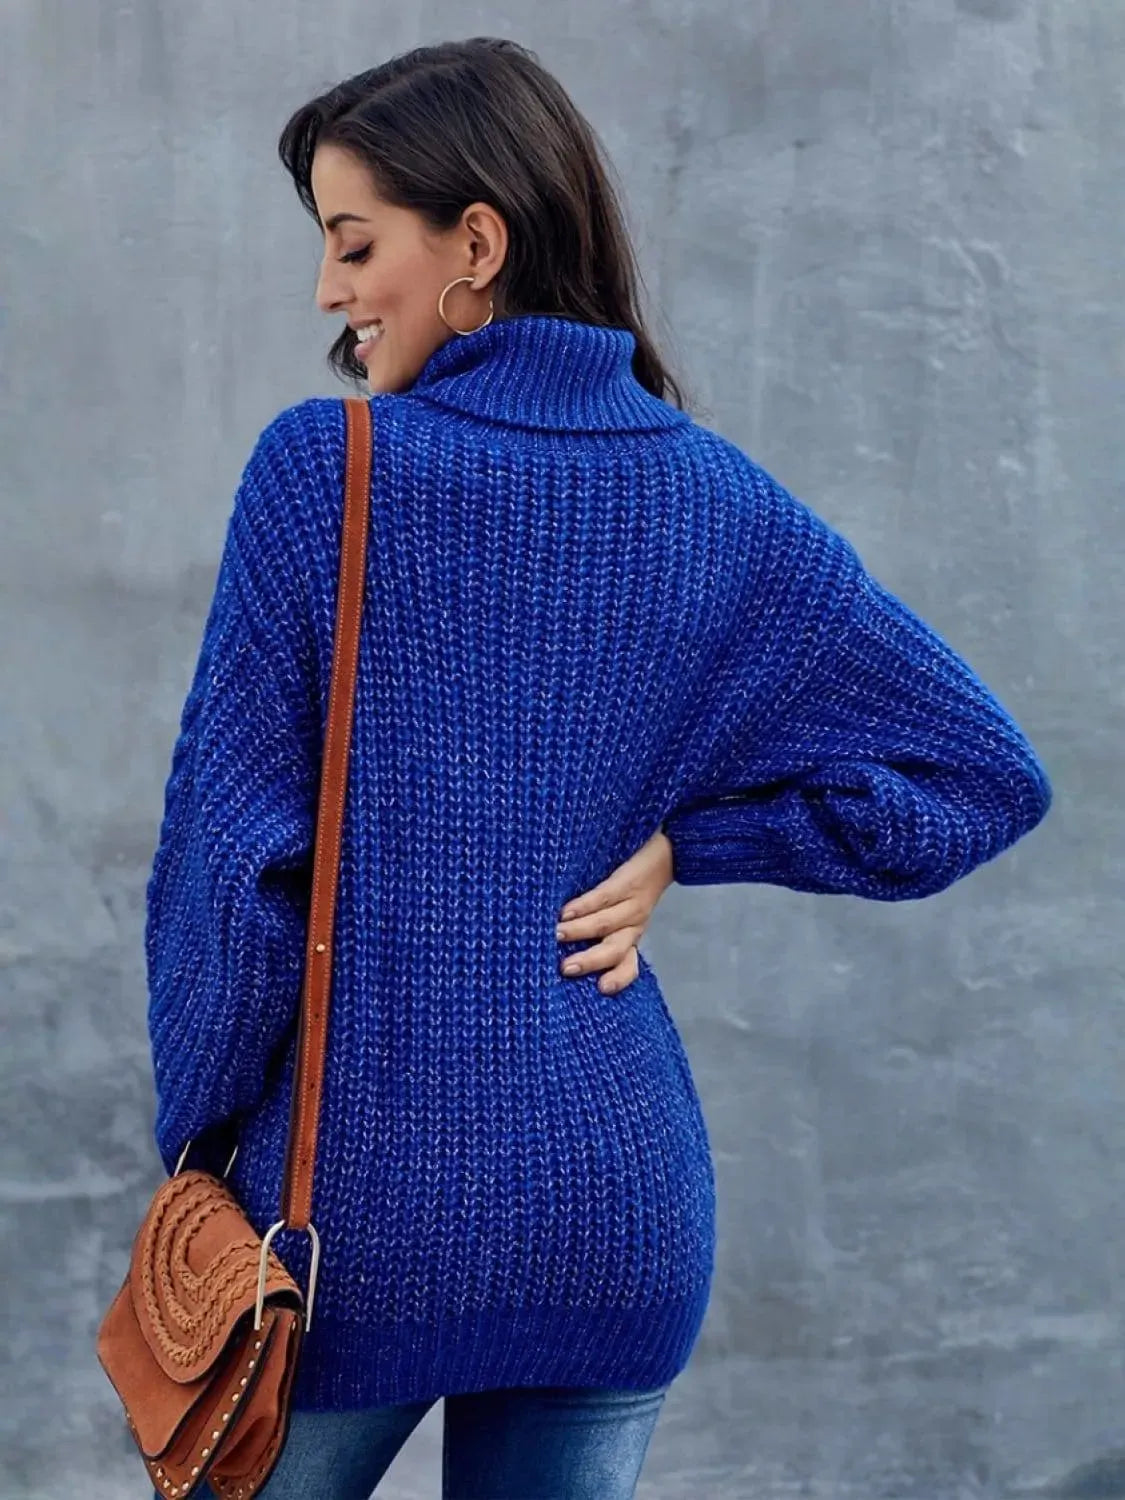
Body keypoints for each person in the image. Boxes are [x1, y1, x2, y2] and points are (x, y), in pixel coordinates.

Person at [143, 36, 1053, 1500]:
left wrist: (195, 1146)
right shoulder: (716, 499)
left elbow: (236, 872)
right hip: (618, 1210)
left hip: (356, 1223)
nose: (326, 289)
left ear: (476, 244)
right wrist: (688, 843)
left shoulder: (325, 473)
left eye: (353, 244)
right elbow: (984, 776)